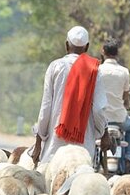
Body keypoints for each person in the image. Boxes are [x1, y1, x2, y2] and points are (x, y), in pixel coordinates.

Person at [30, 26, 109, 164]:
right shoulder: (95, 71)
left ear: (66, 45)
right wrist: (102, 133)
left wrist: (39, 141)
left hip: (55, 145)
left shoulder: (55, 66)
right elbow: (98, 109)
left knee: (49, 182)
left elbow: (46, 107)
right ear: (87, 47)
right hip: (83, 146)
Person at [99, 39, 130, 173]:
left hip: (101, 119)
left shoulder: (98, 70)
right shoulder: (124, 72)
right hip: (119, 118)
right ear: (117, 54)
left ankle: (92, 159)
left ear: (103, 52)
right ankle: (127, 160)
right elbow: (125, 97)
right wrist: (126, 105)